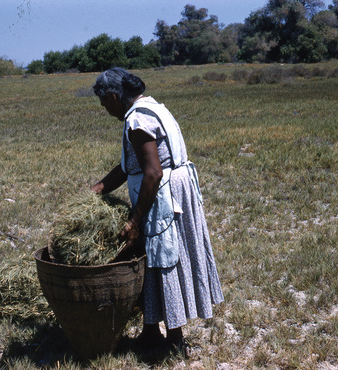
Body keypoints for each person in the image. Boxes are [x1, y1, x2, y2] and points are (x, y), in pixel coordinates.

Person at [90, 67, 223, 355]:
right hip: (173, 192)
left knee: (163, 260)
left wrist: (135, 219)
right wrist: (97, 189)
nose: (104, 109)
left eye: (104, 103)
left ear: (114, 96)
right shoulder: (153, 107)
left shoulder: (138, 120)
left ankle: (174, 341)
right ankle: (151, 332)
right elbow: (130, 167)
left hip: (162, 196)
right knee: (152, 261)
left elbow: (152, 173)